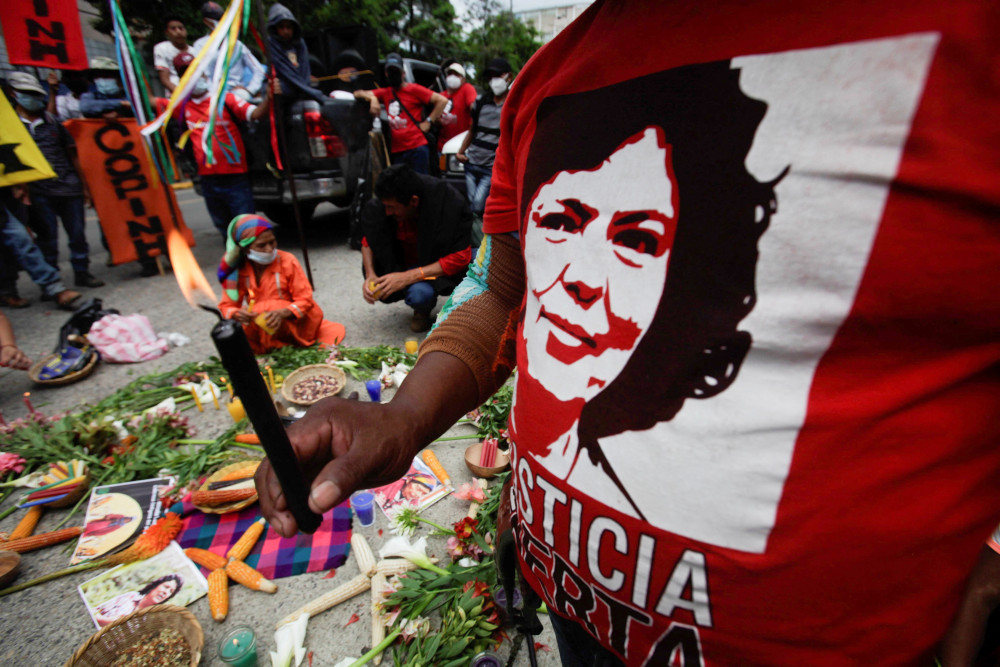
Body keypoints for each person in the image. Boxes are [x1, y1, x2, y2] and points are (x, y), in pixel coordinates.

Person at [256, 2, 1000, 665]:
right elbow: (505, 286)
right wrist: (408, 415)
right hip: (576, 616)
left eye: (639, 239)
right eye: (566, 219)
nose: (581, 274)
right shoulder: (552, 74)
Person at [9, 72, 103, 290]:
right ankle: (53, 282)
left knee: (77, 235)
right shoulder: (13, 127)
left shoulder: (53, 123)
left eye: (36, 94)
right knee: (47, 238)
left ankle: (82, 272)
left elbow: (73, 156)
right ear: (15, 95)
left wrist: (85, 187)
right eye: (27, 94)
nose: (33, 99)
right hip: (38, 191)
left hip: (69, 188)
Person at [359, 163, 473, 332]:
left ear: (413, 201)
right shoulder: (383, 207)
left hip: (440, 262)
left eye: (392, 208)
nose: (388, 212)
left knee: (483, 262)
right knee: (420, 295)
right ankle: (422, 310)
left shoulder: (447, 202)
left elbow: (461, 256)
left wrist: (406, 277)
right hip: (407, 264)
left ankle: (470, 310)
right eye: (386, 207)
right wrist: (370, 274)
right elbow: (369, 240)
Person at [217, 214, 344, 354]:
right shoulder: (237, 270)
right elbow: (226, 306)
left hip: (294, 323)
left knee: (269, 307)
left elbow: (305, 300)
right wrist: (237, 313)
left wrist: (282, 313)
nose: (269, 249)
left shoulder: (287, 260)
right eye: (261, 246)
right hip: (260, 324)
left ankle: (279, 343)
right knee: (239, 328)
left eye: (272, 242)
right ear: (245, 249)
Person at [173, 51, 267, 239]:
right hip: (208, 180)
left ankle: (254, 266)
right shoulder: (181, 107)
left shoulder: (226, 98)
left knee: (247, 230)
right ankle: (235, 267)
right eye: (186, 74)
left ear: (204, 73)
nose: (193, 77)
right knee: (225, 231)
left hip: (235, 177)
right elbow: (152, 103)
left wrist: (270, 96)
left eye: (195, 71)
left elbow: (255, 113)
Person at [355, 53, 447, 174]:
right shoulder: (386, 93)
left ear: (403, 73)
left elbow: (442, 100)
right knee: (402, 189)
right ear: (386, 74)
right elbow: (358, 93)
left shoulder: (414, 89)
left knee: (420, 186)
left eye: (396, 71)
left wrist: (428, 122)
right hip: (398, 151)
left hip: (417, 148)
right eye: (390, 71)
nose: (393, 74)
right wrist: (373, 99)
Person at [455, 57, 512, 248]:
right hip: (473, 162)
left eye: (498, 76)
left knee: (478, 206)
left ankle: (481, 247)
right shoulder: (481, 102)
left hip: (491, 166)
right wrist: (460, 151)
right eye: (491, 76)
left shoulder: (513, 103)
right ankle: (475, 246)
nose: (494, 80)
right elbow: (472, 130)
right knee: (473, 208)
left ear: (508, 77)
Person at [192, 2, 266, 102]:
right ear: (207, 22)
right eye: (218, 20)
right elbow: (199, 73)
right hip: (210, 94)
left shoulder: (237, 45)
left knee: (243, 97)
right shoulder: (200, 45)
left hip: (236, 94)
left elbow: (259, 70)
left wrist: (250, 90)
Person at [266, 3, 324, 103]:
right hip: (282, 84)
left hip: (298, 86)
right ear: (275, 28)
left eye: (289, 27)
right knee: (277, 88)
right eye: (281, 27)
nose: (286, 31)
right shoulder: (272, 44)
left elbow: (305, 70)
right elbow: (285, 70)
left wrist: (307, 90)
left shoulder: (300, 43)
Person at [93, 574, 183, 627]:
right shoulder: (131, 596)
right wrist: (102, 620)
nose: (165, 592)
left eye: (170, 592)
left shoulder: (153, 617)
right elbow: (96, 611)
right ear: (156, 585)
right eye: (166, 587)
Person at [437, 62, 477, 152]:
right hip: (441, 147)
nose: (452, 76)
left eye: (456, 74)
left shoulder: (466, 89)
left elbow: (474, 108)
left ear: (463, 79)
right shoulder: (441, 96)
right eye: (450, 74)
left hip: (459, 146)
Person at [153, 15, 190, 94]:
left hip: (198, 97)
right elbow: (165, 79)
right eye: (173, 29)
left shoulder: (195, 51)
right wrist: (181, 95)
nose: (178, 32)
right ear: (167, 32)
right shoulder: (162, 48)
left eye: (181, 28)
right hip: (176, 96)